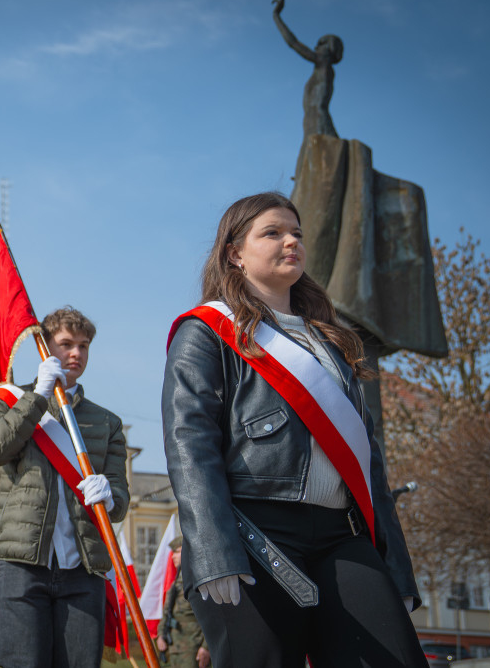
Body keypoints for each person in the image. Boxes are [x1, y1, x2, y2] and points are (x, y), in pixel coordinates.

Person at [162, 192, 427, 667]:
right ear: (234, 252)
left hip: (341, 533)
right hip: (254, 533)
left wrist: (396, 570)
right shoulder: (204, 331)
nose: (292, 242)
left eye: (297, 234)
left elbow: (369, 461)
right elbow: (190, 446)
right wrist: (213, 549)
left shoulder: (330, 340)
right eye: (273, 232)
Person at [0, 306, 130, 668]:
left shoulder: (107, 421)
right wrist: (38, 396)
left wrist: (111, 496)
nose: (76, 353)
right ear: (44, 347)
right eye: (65, 344)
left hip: (83, 568)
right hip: (23, 564)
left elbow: (121, 499)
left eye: (83, 345)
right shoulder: (6, 400)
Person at [272, 0, 343, 139]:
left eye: (321, 43)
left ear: (331, 48)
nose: (316, 47)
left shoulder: (324, 64)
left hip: (318, 121)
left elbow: (293, 43)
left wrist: (276, 16)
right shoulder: (322, 69)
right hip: (311, 122)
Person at [157, 537, 210, 668]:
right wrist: (160, 635)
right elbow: (167, 612)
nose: (173, 556)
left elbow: (211, 617)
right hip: (175, 645)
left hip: (194, 646)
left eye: (178, 551)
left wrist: (206, 647)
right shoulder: (176, 582)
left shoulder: (199, 581)